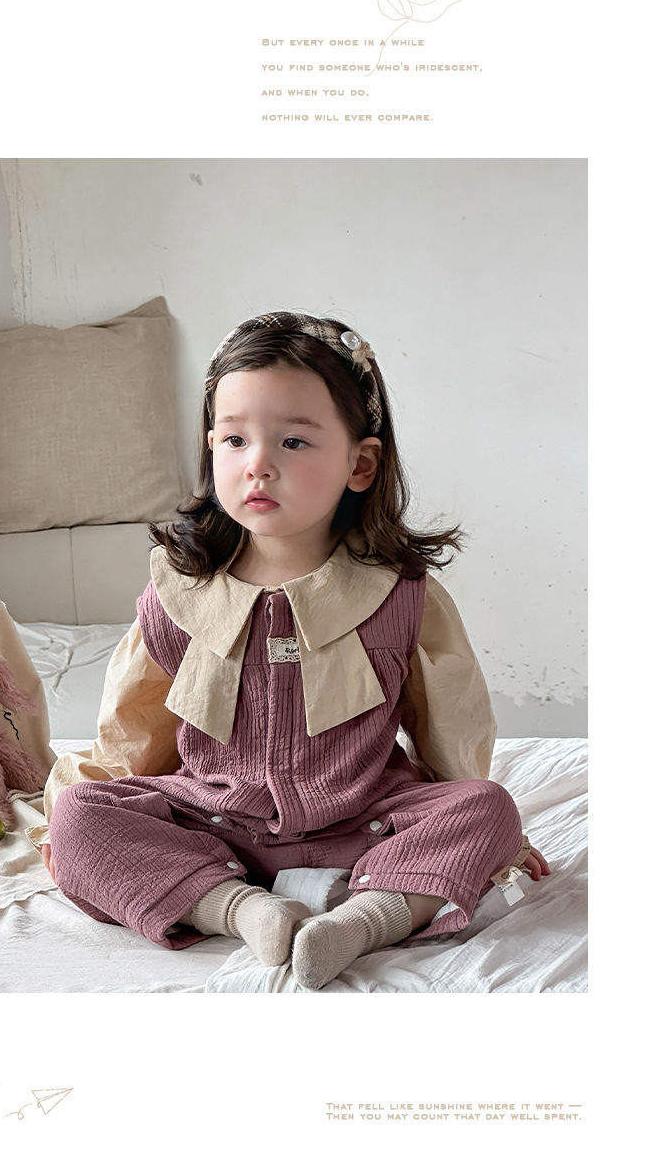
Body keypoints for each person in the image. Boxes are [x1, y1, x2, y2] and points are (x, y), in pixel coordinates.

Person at [41, 311, 549, 989]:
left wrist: (492, 839)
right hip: (215, 825)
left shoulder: (400, 595)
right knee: (79, 816)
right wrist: (89, 819)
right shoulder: (179, 594)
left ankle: (363, 918)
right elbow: (135, 732)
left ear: (360, 464)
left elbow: (451, 726)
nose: (258, 463)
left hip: (363, 822)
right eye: (234, 439)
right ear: (211, 449)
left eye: (293, 441)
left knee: (488, 806)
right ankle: (240, 909)